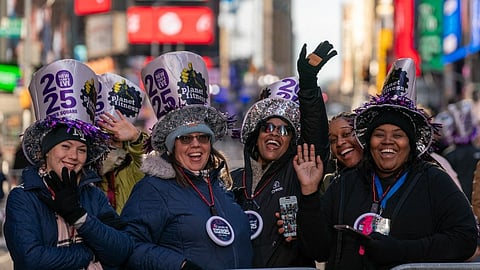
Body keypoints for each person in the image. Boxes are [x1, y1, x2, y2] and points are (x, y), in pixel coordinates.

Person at [295, 58, 478, 269]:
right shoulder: (345, 184)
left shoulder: (433, 181)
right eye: (379, 134)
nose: (387, 141)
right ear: (368, 142)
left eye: (398, 135)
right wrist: (309, 195)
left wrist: (400, 251)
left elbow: (465, 240)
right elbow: (317, 250)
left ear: (410, 143)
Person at [121, 51, 253, 269]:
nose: (195, 144)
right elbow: (130, 246)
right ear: (172, 146)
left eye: (202, 137)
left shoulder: (220, 185)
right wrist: (178, 265)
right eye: (185, 138)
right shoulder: (152, 189)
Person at [3, 59, 133, 269]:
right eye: (65, 146)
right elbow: (31, 260)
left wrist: (79, 216)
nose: (74, 155)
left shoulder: (92, 195)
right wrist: (91, 252)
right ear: (46, 152)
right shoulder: (23, 197)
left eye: (81, 149)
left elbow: (123, 249)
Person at [231, 41, 335, 267]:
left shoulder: (299, 174)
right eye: (268, 127)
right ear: (256, 135)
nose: (275, 134)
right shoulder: (233, 181)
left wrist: (308, 83)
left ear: (291, 141)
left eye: (285, 130)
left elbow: (315, 139)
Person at [96, 73, 149, 214]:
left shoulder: (133, 168)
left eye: (114, 139)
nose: (108, 145)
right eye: (102, 138)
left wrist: (136, 137)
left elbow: (150, 162)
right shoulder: (79, 169)